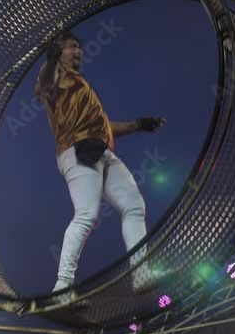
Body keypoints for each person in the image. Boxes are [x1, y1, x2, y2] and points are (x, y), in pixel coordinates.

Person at [35, 31, 164, 300]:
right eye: (72, 47)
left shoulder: (81, 87)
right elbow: (46, 81)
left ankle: (141, 274)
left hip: (100, 149)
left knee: (134, 205)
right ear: (59, 50)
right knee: (86, 214)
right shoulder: (54, 74)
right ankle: (62, 288)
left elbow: (105, 127)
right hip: (74, 149)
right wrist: (51, 55)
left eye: (80, 48)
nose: (79, 52)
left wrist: (139, 124)